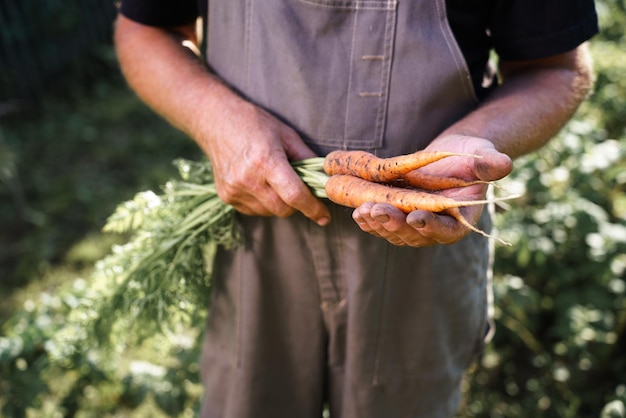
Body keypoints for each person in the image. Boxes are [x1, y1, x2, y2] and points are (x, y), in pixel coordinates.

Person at [113, 1, 598, 417]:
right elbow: (144, 28)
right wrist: (217, 118)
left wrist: (473, 148)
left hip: (425, 241)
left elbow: (555, 68)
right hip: (253, 234)